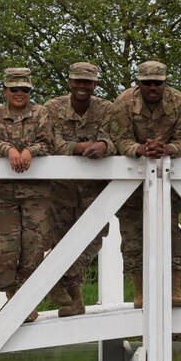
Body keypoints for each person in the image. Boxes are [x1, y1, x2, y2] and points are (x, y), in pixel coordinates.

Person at [108, 60, 181, 308]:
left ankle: (175, 288)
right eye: (147, 83)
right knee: (131, 234)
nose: (152, 87)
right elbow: (119, 138)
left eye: (157, 83)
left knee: (171, 232)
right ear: (139, 83)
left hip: (167, 179)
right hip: (131, 179)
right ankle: (140, 291)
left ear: (165, 83)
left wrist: (168, 149)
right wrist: (140, 149)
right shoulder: (124, 102)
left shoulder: (180, 103)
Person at [44, 62, 116, 318]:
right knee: (62, 241)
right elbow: (48, 140)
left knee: (94, 239)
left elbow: (115, 137)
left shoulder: (106, 108)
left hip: (94, 190)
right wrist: (76, 148)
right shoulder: (52, 108)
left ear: (94, 84)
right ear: (70, 82)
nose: (82, 86)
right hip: (61, 189)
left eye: (87, 82)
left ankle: (51, 275)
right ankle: (73, 300)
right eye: (78, 81)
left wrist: (104, 146)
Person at [0, 67, 54, 323]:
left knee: (36, 247)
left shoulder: (41, 113)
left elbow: (48, 142)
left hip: (36, 192)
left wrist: (30, 151)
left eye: (24, 89)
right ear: (5, 91)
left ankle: (25, 300)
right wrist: (8, 150)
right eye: (14, 89)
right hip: (4, 194)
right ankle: (13, 296)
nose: (19, 93)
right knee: (4, 247)